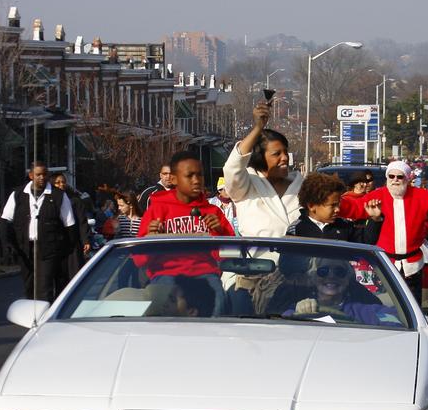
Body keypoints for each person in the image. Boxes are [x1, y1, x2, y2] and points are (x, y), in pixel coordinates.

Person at [341, 160, 428, 302]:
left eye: (399, 177)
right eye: (391, 176)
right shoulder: (377, 196)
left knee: (413, 304)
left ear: (407, 178)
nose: (395, 180)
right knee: (387, 306)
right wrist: (334, 203)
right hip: (386, 264)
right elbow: (355, 207)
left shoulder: (419, 196)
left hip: (413, 265)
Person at [137, 150, 234, 315]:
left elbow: (229, 255)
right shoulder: (157, 209)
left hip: (205, 275)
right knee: (164, 314)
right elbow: (139, 260)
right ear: (174, 179)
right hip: (165, 274)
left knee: (219, 302)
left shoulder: (213, 211)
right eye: (189, 176)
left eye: (200, 175)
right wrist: (150, 240)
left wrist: (219, 232)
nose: (197, 181)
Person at [0, 161, 78, 302]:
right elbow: (6, 221)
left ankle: (45, 317)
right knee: (29, 285)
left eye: (44, 174)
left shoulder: (58, 196)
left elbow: (69, 225)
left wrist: (66, 249)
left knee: (44, 287)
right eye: (38, 175)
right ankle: (32, 315)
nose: (41, 177)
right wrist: (8, 246)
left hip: (48, 249)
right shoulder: (17, 194)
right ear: (31, 175)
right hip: (25, 248)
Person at [223, 102, 302, 238]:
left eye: (285, 152)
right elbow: (232, 167)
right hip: (257, 258)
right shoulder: (245, 186)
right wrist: (258, 128)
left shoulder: (302, 186)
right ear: (260, 157)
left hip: (299, 257)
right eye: (276, 154)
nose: (284, 158)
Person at [283, 258, 400, 327]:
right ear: (314, 277)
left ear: (348, 279)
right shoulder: (300, 308)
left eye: (339, 272)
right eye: (323, 271)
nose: (331, 276)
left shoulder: (364, 311)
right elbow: (282, 324)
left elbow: (397, 320)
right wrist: (299, 311)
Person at [287, 172, 382, 243]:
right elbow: (288, 262)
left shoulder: (345, 226)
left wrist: (375, 219)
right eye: (332, 205)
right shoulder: (296, 229)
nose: (338, 209)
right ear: (312, 206)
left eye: (338, 204)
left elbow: (366, 243)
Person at [51, 172, 91, 275]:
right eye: (57, 182)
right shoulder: (48, 201)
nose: (61, 185)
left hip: (73, 241)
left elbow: (82, 221)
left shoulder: (75, 200)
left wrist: (85, 240)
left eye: (63, 182)